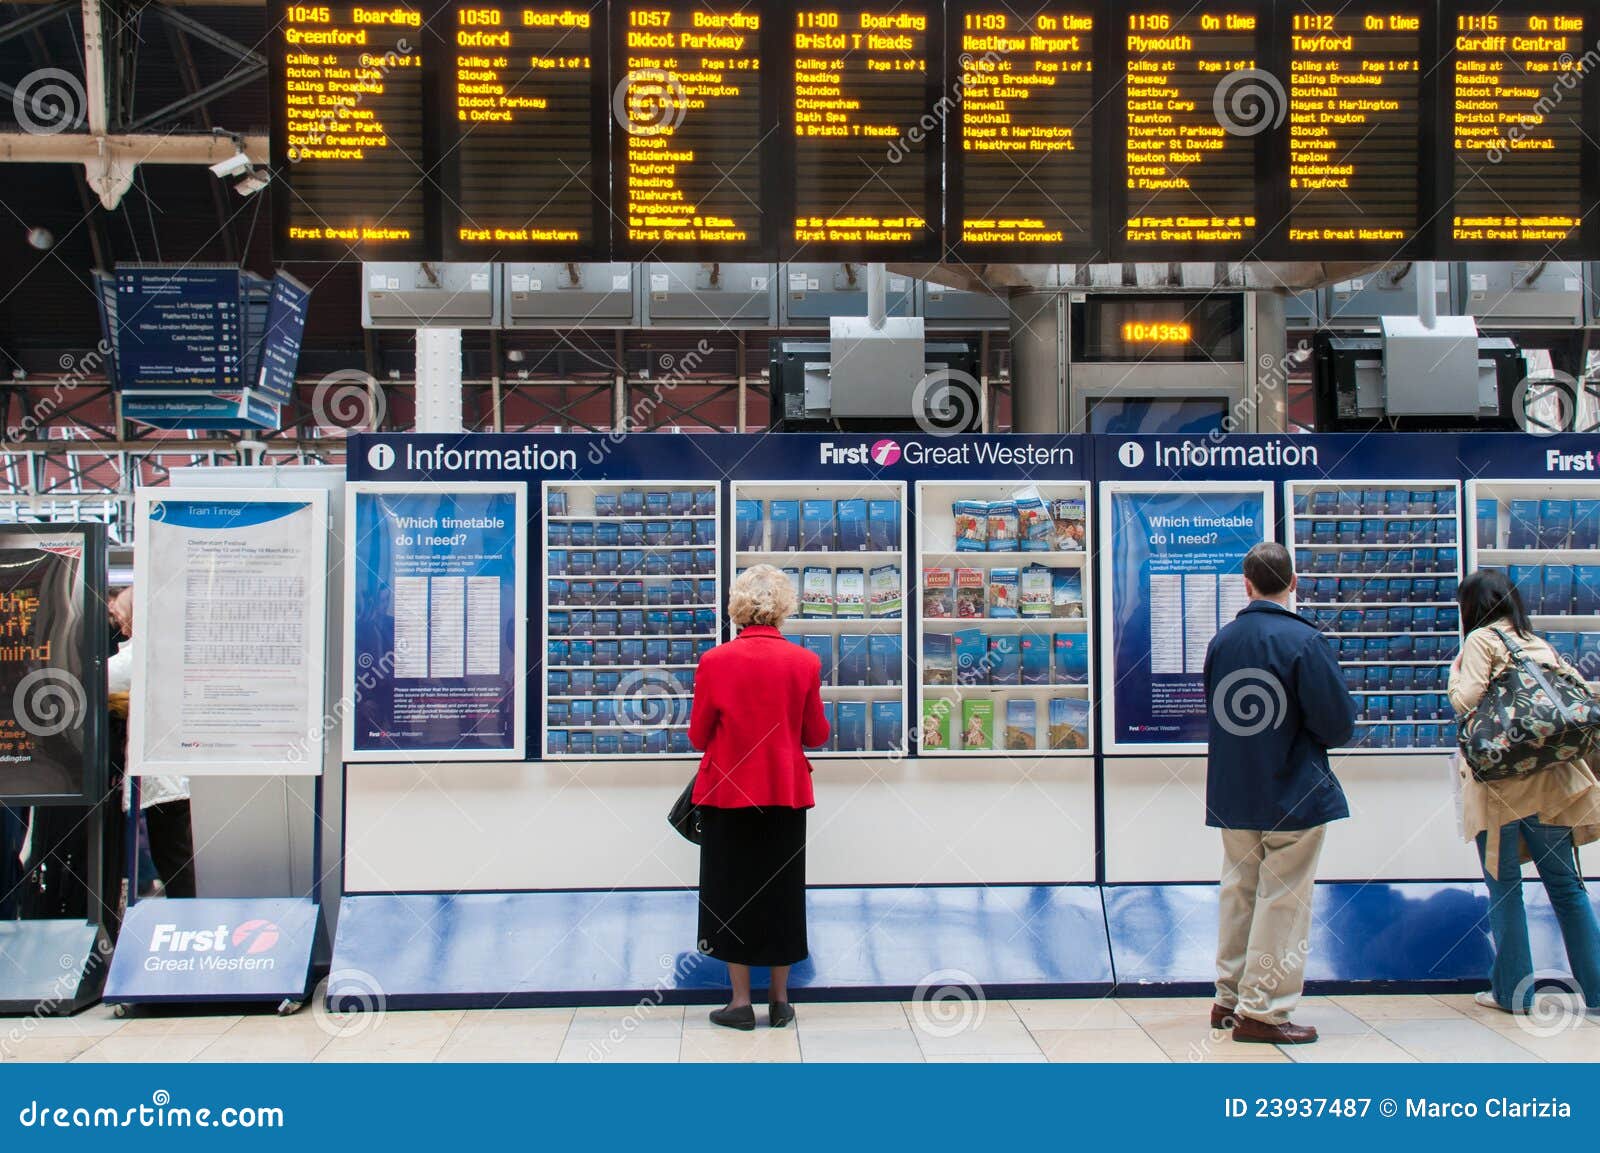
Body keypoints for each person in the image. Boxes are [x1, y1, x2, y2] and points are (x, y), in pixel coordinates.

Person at [1203, 541, 1357, 1045]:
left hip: (1234, 792)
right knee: (1284, 901)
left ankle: (1228, 999)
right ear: (1293, 583)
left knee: (1239, 892)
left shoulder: (1223, 641)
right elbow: (1336, 725)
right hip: (1292, 790)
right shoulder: (1304, 642)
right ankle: (1263, 1011)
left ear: (1247, 585)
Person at [1449, 568, 1600, 1015]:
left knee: (1505, 889)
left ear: (1471, 607)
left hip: (1502, 791)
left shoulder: (1480, 640)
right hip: (1554, 789)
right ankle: (1596, 992)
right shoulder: (1537, 643)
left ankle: (1514, 994)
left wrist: (1453, 676)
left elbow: (1466, 700)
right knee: (1567, 889)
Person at [687, 564, 829, 1030]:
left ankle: (741, 1003)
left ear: (739, 607)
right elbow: (816, 734)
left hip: (727, 795)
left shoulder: (714, 662)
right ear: (784, 607)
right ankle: (782, 1000)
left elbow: (697, 736)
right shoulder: (805, 663)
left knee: (730, 896)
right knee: (782, 894)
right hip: (785, 795)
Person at [108, 586, 197, 899]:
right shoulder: (161, 645)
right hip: (167, 774)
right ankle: (187, 916)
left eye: (118, 612)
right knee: (173, 856)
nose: (117, 621)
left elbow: (101, 677)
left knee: (173, 857)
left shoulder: (145, 649)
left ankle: (187, 919)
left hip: (164, 776)